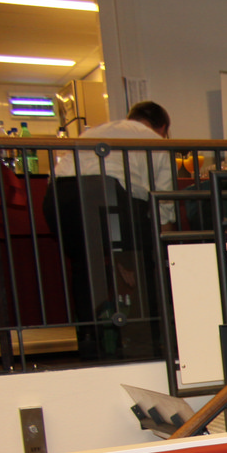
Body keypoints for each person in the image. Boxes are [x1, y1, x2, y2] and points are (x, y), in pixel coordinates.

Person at [43, 101, 177, 358]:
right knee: (141, 263)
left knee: (84, 264)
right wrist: (166, 252)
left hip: (59, 195)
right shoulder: (156, 141)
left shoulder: (95, 131)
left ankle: (89, 338)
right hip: (108, 192)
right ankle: (144, 339)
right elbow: (164, 205)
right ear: (163, 128)